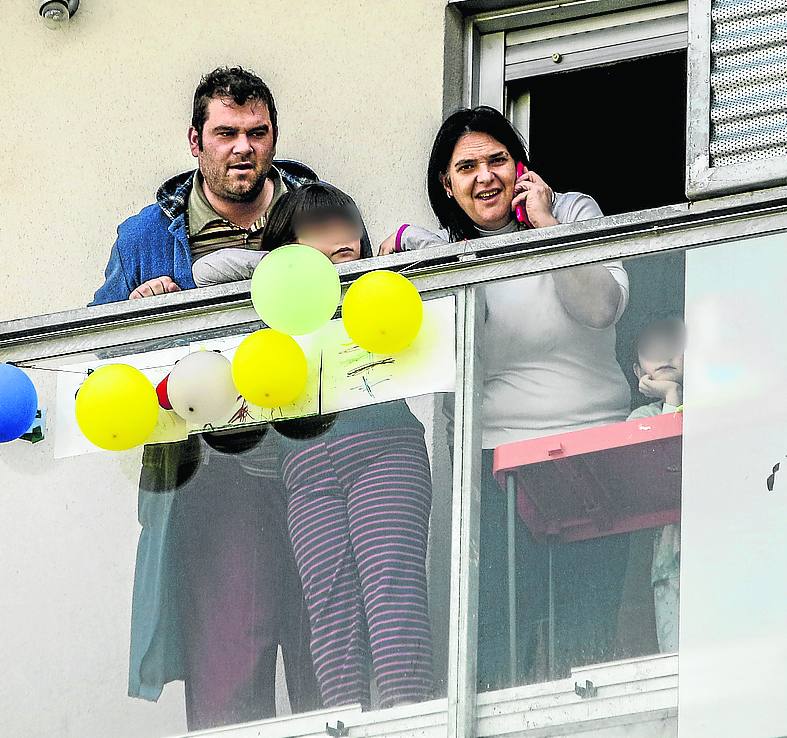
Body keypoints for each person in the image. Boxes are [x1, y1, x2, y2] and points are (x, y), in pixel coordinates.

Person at [90, 67, 322, 730]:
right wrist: (138, 318)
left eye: (257, 132)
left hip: (317, 459)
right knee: (229, 671)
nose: (243, 147)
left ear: (274, 136)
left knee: (329, 659)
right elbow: (96, 361)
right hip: (214, 472)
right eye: (225, 133)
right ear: (195, 142)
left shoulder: (319, 212)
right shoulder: (145, 236)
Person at [381, 106, 632, 688]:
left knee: (585, 639)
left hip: (594, 450)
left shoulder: (572, 211)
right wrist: (411, 248)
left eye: (497, 160)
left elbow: (600, 308)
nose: (485, 176)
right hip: (498, 470)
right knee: (498, 648)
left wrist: (544, 225)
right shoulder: (446, 255)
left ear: (521, 166)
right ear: (447, 185)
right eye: (466, 167)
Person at [260, 182, 436, 710]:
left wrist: (402, 236)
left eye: (345, 223)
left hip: (383, 450)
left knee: (393, 598)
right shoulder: (274, 299)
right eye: (317, 227)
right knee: (330, 614)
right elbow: (209, 272)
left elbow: (442, 257)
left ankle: (408, 721)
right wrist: (285, 268)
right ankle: (343, 725)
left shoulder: (377, 285)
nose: (338, 236)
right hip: (306, 471)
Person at [629, 316, 684, 653]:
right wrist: (671, 397)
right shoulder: (642, 419)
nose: (663, 353)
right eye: (652, 347)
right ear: (638, 371)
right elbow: (661, 469)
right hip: (671, 558)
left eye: (674, 342)